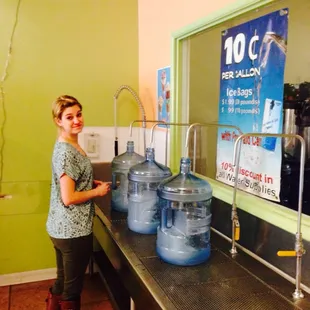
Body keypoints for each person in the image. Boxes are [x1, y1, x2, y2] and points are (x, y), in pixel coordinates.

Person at [46, 95, 110, 310]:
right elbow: (69, 197)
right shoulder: (66, 152)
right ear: (58, 121)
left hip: (59, 227)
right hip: (73, 230)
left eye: (79, 114)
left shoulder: (69, 145)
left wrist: (90, 183)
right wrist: (97, 191)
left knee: (63, 279)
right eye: (69, 117)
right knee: (72, 288)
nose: (77, 120)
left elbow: (71, 182)